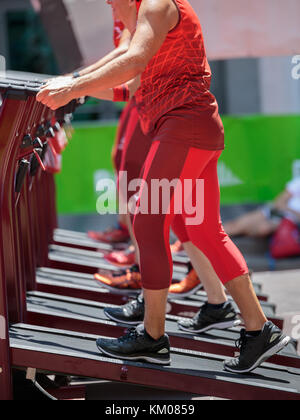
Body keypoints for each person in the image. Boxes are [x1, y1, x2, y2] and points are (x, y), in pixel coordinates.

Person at [37, 0, 290, 373]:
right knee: (203, 231)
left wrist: (74, 85)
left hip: (183, 127)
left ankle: (153, 337)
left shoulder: (155, 5)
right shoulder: (147, 10)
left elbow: (133, 58)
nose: (108, 2)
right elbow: (125, 59)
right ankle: (258, 330)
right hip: (192, 126)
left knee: (148, 222)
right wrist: (74, 83)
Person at [224, 177, 300, 237]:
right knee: (237, 225)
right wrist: (292, 211)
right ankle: (214, 238)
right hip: (272, 211)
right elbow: (279, 202)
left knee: (263, 229)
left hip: (287, 222)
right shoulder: (298, 182)